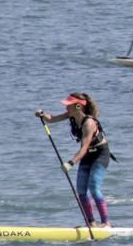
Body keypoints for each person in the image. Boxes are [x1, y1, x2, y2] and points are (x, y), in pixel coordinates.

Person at [35, 93, 112, 227]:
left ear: (78, 106)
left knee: (93, 188)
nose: (66, 107)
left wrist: (71, 162)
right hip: (87, 155)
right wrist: (42, 115)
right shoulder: (71, 114)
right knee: (81, 192)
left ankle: (106, 223)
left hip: (100, 154)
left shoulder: (89, 123)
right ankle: (91, 223)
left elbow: (84, 147)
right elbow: (52, 119)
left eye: (68, 105)